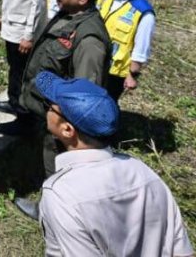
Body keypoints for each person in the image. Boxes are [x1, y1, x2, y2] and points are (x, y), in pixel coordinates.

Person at [36, 72, 193, 256]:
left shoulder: (61, 194)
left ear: (67, 129)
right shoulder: (143, 171)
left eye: (49, 106)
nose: (46, 110)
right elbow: (183, 251)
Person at [3, 0, 112, 220]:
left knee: (60, 165)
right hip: (50, 110)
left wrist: (64, 125)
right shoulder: (68, 15)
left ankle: (53, 212)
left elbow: (85, 93)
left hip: (65, 120)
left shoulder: (89, 39)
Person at [97, 0, 156, 102]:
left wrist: (132, 75)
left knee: (105, 103)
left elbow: (141, 47)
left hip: (114, 69)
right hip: (92, 58)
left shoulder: (143, 11)